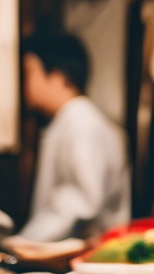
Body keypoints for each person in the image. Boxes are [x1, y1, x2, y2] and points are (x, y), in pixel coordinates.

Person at [18, 31, 130, 243]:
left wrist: (25, 242)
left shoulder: (83, 124)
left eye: (29, 72)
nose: (23, 82)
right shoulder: (74, 120)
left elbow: (81, 201)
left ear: (59, 77)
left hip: (82, 257)